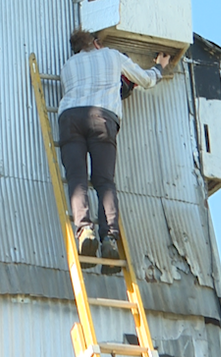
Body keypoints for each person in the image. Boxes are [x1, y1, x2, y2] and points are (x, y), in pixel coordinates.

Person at [57, 28, 170, 269]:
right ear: (96, 44)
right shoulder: (111, 55)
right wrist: (159, 67)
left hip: (70, 118)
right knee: (104, 181)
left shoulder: (67, 67)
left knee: (77, 178)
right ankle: (109, 238)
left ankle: (84, 231)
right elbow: (146, 79)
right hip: (102, 118)